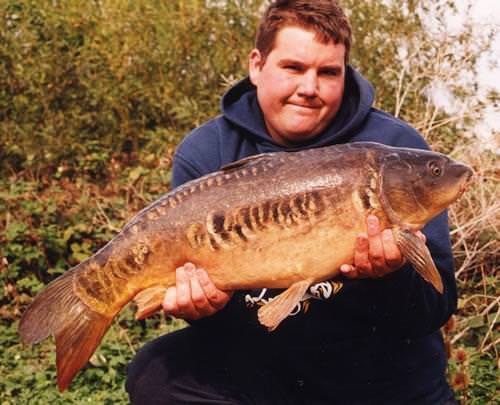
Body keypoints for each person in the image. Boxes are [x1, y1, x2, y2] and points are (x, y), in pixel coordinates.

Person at [126, 1, 458, 403]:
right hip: (267, 370)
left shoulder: (396, 150)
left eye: (328, 72)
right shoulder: (207, 152)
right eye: (293, 68)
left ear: (345, 73)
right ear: (256, 65)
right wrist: (203, 307)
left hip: (379, 378)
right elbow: (216, 324)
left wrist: (391, 274)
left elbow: (435, 308)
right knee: (156, 373)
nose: (309, 88)